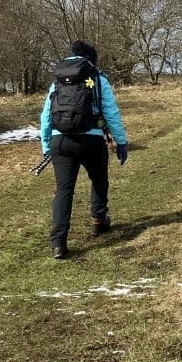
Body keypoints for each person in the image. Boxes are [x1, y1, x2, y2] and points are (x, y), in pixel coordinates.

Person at [40, 40, 128, 259]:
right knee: (99, 179)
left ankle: (58, 243)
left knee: (64, 190)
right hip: (91, 140)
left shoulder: (59, 80)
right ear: (92, 59)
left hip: (61, 142)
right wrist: (121, 142)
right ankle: (99, 220)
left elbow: (46, 115)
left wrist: (46, 145)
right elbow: (111, 112)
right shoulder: (97, 78)